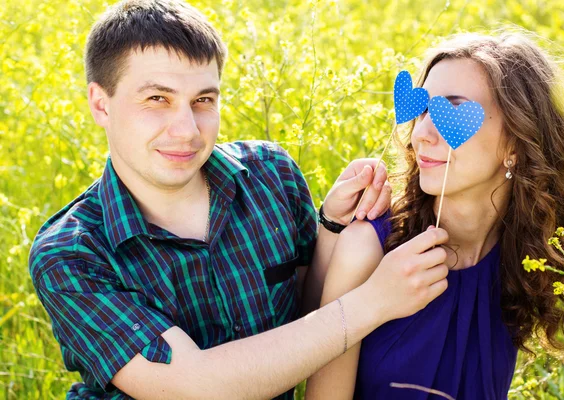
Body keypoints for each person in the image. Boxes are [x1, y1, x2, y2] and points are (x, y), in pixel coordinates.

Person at [28, 1, 452, 399]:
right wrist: (375, 301)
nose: (187, 130)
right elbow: (195, 386)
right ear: (101, 104)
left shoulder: (270, 173)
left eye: (203, 100)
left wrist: (330, 229)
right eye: (157, 99)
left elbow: (306, 322)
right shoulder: (70, 254)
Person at [306, 31, 564, 399]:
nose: (423, 134)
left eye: (453, 111)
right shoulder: (368, 247)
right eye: (422, 109)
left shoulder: (535, 250)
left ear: (516, 142)